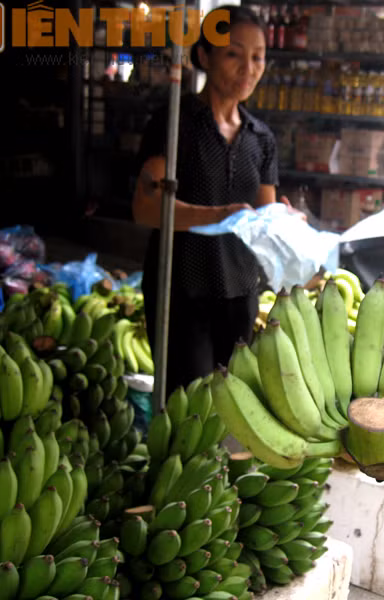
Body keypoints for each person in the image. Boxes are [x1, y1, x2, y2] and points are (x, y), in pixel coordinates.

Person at [132, 6, 276, 395]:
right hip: (182, 290)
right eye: (234, 53)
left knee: (232, 408)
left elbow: (265, 217)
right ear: (204, 56)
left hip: (241, 291)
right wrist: (220, 215)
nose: (249, 67)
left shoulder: (260, 138)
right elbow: (145, 208)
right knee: (187, 406)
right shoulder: (177, 123)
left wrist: (286, 222)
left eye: (258, 56)